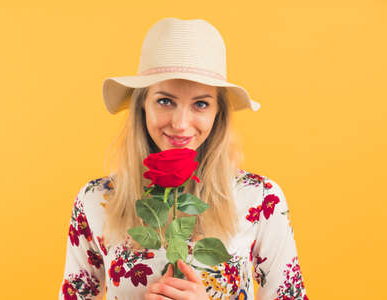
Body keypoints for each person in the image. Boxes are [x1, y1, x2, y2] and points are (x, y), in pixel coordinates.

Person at [59, 17, 308, 300]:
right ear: (142, 106)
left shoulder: (261, 199)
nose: (180, 124)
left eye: (200, 104)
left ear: (218, 113)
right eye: (165, 101)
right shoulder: (96, 200)